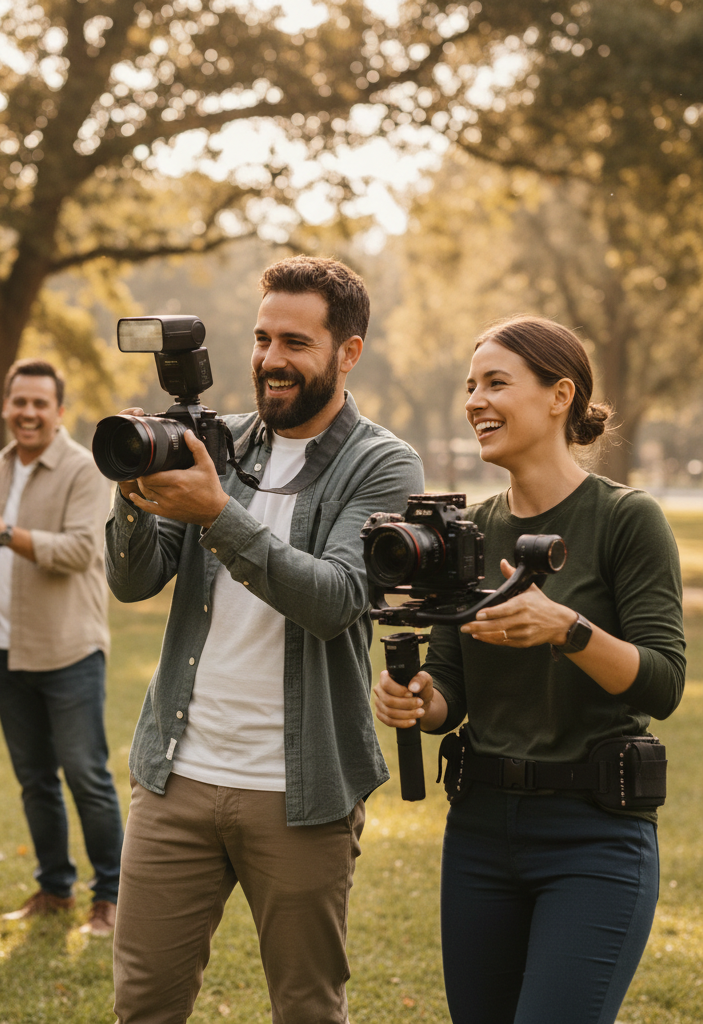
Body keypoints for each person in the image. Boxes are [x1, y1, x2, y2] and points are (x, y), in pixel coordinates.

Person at [104, 255, 425, 1023]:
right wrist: (133, 493)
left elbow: (339, 600)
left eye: (295, 342)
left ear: (347, 352)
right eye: (260, 338)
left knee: (307, 1008)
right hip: (174, 773)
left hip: (301, 789)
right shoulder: (223, 444)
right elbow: (134, 581)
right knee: (142, 1003)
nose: (270, 360)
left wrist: (217, 512)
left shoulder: (382, 463)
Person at [373, 315, 685, 1024]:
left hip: (594, 838)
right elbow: (449, 685)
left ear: (558, 396)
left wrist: (565, 628)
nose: (475, 401)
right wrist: (418, 701)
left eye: (496, 383)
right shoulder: (467, 533)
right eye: (469, 386)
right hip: (480, 830)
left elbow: (663, 681)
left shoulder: (627, 520)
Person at [0, 358, 123, 937]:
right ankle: (54, 888)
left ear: (58, 412)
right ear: (5, 406)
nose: (27, 413)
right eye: (18, 402)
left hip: (69, 649)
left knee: (85, 774)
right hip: (4, 650)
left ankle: (112, 896)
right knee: (34, 779)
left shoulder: (81, 467)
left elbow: (80, 551)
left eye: (39, 404)